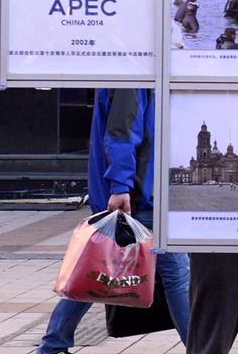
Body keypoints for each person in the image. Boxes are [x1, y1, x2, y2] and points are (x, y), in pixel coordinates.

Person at [36, 90, 190, 354]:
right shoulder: (133, 79)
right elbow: (121, 134)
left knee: (97, 270)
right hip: (139, 193)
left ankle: (53, 345)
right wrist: (121, 186)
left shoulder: (132, 76)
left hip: (136, 190)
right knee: (177, 274)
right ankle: (201, 346)